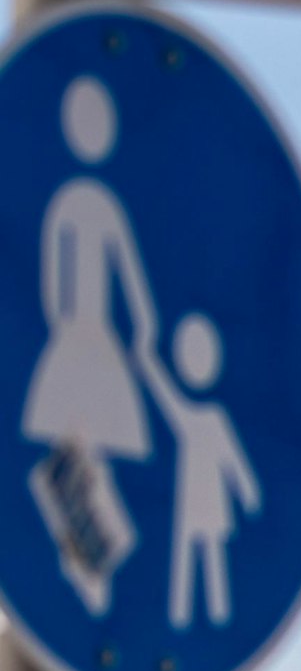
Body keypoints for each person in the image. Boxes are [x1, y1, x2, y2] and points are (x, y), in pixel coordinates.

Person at [21, 75, 158, 614]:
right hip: (87, 341)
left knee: (79, 451)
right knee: (82, 453)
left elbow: (69, 283)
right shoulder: (92, 205)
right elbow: (127, 281)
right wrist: (137, 331)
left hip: (77, 339)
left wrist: (68, 328)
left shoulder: (81, 204)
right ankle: (82, 563)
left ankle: (87, 564)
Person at [139, 313, 259, 630]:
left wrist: (247, 493)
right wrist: (148, 362)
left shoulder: (211, 418)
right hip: (192, 502)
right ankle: (184, 616)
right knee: (187, 560)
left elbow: (233, 460)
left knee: (209, 558)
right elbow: (167, 398)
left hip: (203, 502)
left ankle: (213, 618)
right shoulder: (197, 418)